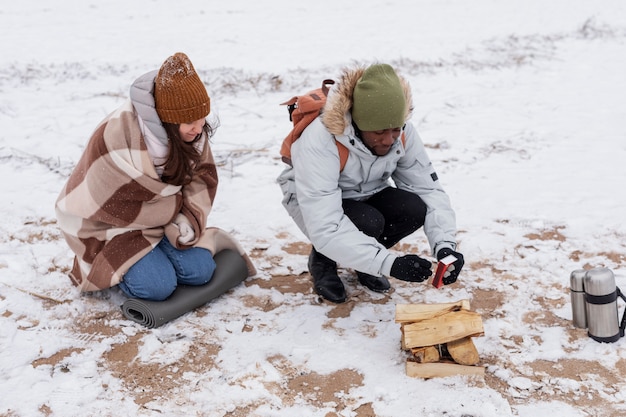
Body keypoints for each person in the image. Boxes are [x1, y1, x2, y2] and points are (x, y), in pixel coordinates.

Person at [56, 52, 255, 300]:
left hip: (165, 220)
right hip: (114, 228)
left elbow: (202, 179)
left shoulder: (193, 134)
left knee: (201, 272)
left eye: (202, 116)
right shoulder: (116, 135)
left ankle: (157, 252)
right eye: (190, 121)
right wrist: (162, 210)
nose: (199, 126)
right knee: (157, 287)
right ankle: (120, 271)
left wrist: (187, 219)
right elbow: (103, 201)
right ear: (168, 120)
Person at [277, 63, 464, 303]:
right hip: (312, 201)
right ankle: (323, 260)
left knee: (414, 208)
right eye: (378, 132)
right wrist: (388, 263)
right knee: (367, 222)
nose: (388, 140)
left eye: (395, 130)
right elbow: (325, 224)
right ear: (358, 124)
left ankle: (363, 260)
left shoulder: (403, 131)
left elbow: (427, 189)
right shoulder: (319, 140)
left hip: (367, 189)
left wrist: (445, 246)